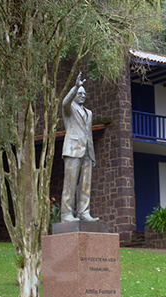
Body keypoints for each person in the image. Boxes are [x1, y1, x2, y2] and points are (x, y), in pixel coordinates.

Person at [61, 72, 99, 222]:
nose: (83, 95)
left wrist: (92, 155)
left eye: (84, 93)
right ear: (75, 94)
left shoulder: (89, 113)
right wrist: (75, 86)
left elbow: (89, 134)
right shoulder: (69, 109)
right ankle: (66, 214)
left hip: (87, 152)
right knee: (70, 183)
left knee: (85, 185)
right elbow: (64, 102)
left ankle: (84, 212)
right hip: (73, 150)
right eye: (80, 93)